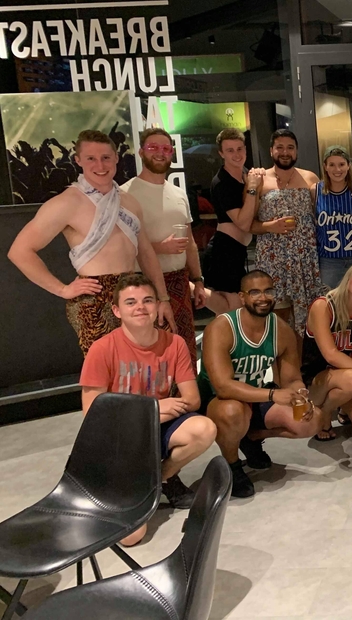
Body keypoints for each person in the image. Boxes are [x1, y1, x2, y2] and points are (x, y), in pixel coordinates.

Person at [8, 129, 176, 356]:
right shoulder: (66, 203)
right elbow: (19, 251)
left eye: (106, 157)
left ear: (116, 158)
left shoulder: (129, 202)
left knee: (149, 365)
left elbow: (145, 253)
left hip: (136, 291)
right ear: (78, 161)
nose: (100, 165)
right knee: (107, 374)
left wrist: (162, 298)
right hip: (95, 299)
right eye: (91, 158)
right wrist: (62, 289)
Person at [79, 273, 217, 545]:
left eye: (147, 300)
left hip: (157, 427)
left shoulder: (174, 343)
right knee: (131, 538)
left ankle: (157, 481)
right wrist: (155, 407)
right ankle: (121, 486)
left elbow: (192, 400)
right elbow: (93, 414)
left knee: (204, 428)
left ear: (157, 306)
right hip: (121, 437)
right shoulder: (102, 349)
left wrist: (149, 414)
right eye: (130, 302)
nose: (140, 307)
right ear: (117, 310)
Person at [196, 270, 321, 498]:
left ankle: (251, 435)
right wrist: (273, 395)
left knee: (311, 422)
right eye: (255, 292)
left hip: (255, 399)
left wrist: (299, 394)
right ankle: (232, 465)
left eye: (268, 291)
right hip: (216, 402)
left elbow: (291, 378)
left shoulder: (281, 330)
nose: (263, 298)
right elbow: (223, 387)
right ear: (242, 298)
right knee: (233, 411)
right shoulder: (222, 328)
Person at [121, 127, 206, 361]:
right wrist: (159, 247)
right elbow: (122, 247)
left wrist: (197, 281)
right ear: (141, 152)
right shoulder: (125, 194)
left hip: (179, 281)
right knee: (152, 353)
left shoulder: (178, 193)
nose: (160, 153)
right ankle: (158, 398)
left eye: (166, 148)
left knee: (184, 348)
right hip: (143, 285)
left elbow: (189, 243)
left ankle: (186, 397)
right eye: (153, 148)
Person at [302, 260, 352, 443]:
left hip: (350, 379)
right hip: (317, 381)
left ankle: (340, 406)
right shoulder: (323, 306)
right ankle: (324, 412)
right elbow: (330, 354)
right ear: (347, 277)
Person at [250, 129, 322, 339]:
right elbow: (248, 223)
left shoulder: (310, 177)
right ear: (271, 150)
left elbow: (325, 215)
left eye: (290, 147)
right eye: (279, 147)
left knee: (306, 318)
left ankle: (299, 369)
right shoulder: (260, 180)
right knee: (276, 319)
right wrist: (269, 226)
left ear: (296, 151)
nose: (285, 152)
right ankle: (279, 370)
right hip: (274, 259)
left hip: (305, 260)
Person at [203, 128, 262, 313]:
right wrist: (253, 188)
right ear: (221, 153)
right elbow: (243, 223)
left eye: (239, 149)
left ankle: (194, 289)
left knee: (234, 310)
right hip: (224, 251)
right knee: (235, 311)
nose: (236, 154)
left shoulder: (245, 174)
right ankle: (192, 288)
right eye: (230, 150)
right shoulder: (222, 182)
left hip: (237, 251)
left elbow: (254, 211)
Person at [315, 145, 352, 288]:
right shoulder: (315, 191)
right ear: (325, 166)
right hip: (328, 260)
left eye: (341, 164)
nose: (337, 170)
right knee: (330, 301)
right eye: (332, 164)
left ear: (349, 166)